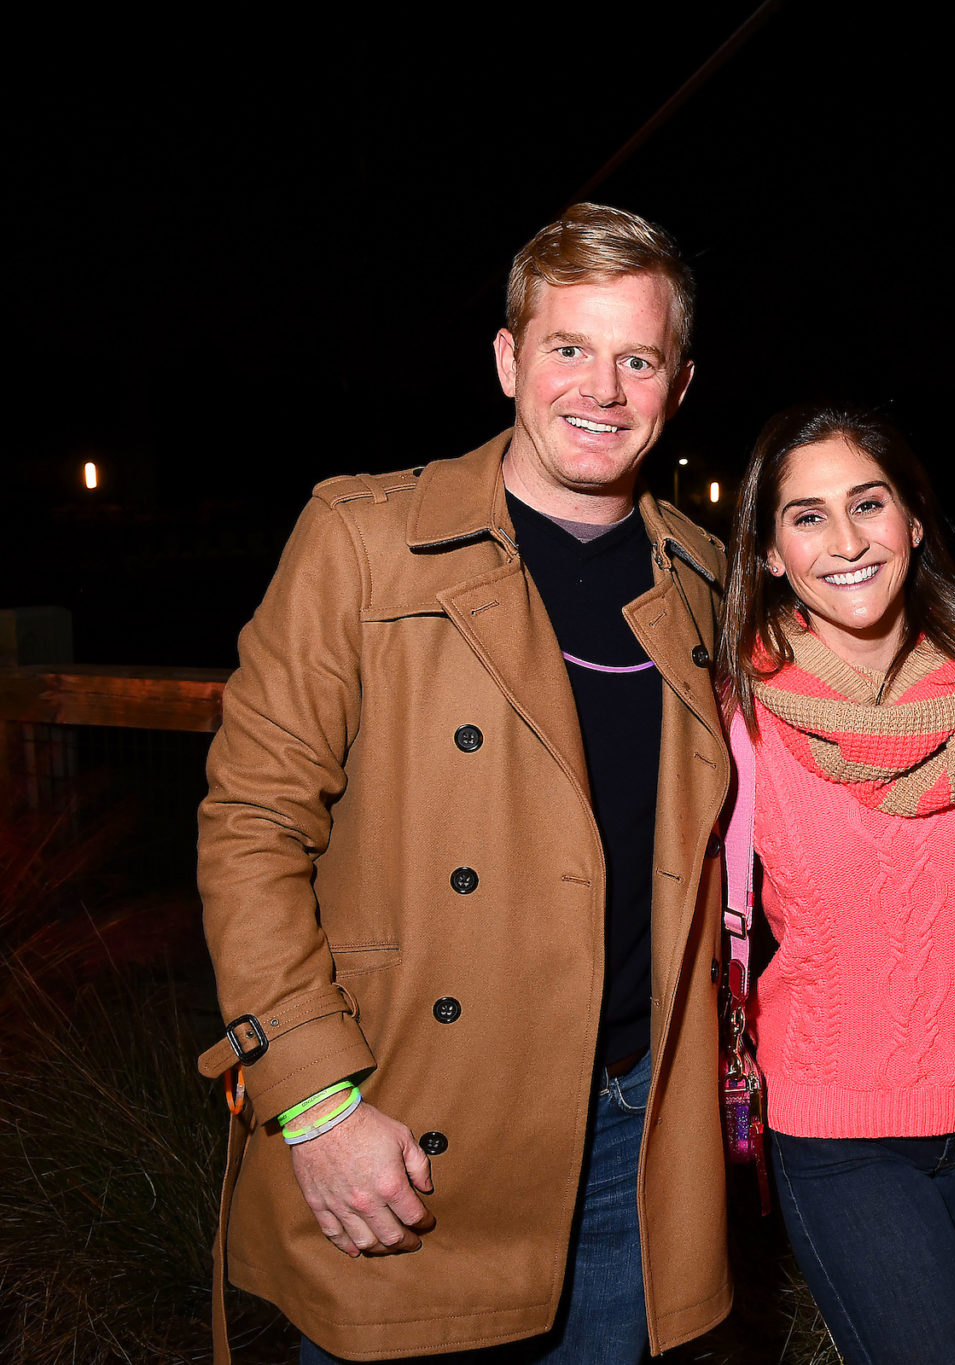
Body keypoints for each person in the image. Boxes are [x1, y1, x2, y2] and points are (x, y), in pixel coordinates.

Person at [195, 204, 732, 1362]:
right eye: (567, 349)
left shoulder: (703, 579)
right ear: (507, 359)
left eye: (636, 357)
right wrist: (314, 1098)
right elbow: (250, 825)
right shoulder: (360, 537)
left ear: (676, 384)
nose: (600, 387)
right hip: (410, 1121)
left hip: (631, 1136)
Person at [715, 404, 955, 1365]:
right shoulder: (734, 712)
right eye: (807, 516)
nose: (847, 541)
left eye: (869, 503)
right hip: (838, 1132)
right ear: (770, 551)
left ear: (913, 521)